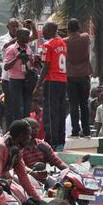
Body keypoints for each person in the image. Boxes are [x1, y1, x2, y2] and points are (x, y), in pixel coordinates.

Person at [35, 22, 68, 150]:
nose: (42, 33)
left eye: (43, 30)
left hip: (51, 80)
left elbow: (46, 67)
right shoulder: (63, 44)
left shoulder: (48, 45)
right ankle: (60, 141)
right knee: (60, 111)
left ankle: (50, 141)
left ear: (49, 30)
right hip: (62, 80)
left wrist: (38, 85)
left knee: (49, 112)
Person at [65, 18, 93, 138]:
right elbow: (86, 33)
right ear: (79, 27)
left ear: (68, 29)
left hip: (70, 77)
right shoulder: (85, 37)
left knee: (73, 105)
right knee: (84, 104)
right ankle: (86, 131)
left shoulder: (65, 41)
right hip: (84, 76)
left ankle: (75, 131)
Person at [21, 118, 68, 183]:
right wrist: (33, 173)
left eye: (37, 127)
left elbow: (58, 163)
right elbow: (19, 167)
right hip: (24, 181)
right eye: (33, 128)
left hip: (42, 182)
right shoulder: (19, 148)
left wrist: (69, 171)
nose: (37, 130)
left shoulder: (43, 145)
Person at [4, 27, 36, 122]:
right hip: (16, 81)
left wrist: (32, 59)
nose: (28, 37)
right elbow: (6, 67)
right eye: (26, 35)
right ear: (18, 36)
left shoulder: (28, 48)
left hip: (27, 81)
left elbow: (33, 63)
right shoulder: (11, 49)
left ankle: (26, 129)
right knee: (18, 108)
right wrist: (17, 58)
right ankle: (19, 130)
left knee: (27, 108)